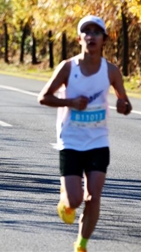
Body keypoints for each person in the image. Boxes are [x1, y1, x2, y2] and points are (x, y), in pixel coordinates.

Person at [37, 15, 132, 252]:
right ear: (79, 39)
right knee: (75, 199)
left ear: (104, 39)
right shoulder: (68, 67)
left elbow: (125, 102)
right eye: (86, 32)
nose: (91, 36)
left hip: (98, 140)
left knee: (94, 196)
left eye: (96, 32)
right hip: (70, 140)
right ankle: (66, 200)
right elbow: (44, 97)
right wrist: (70, 102)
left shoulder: (111, 71)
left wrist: (124, 106)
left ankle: (81, 245)